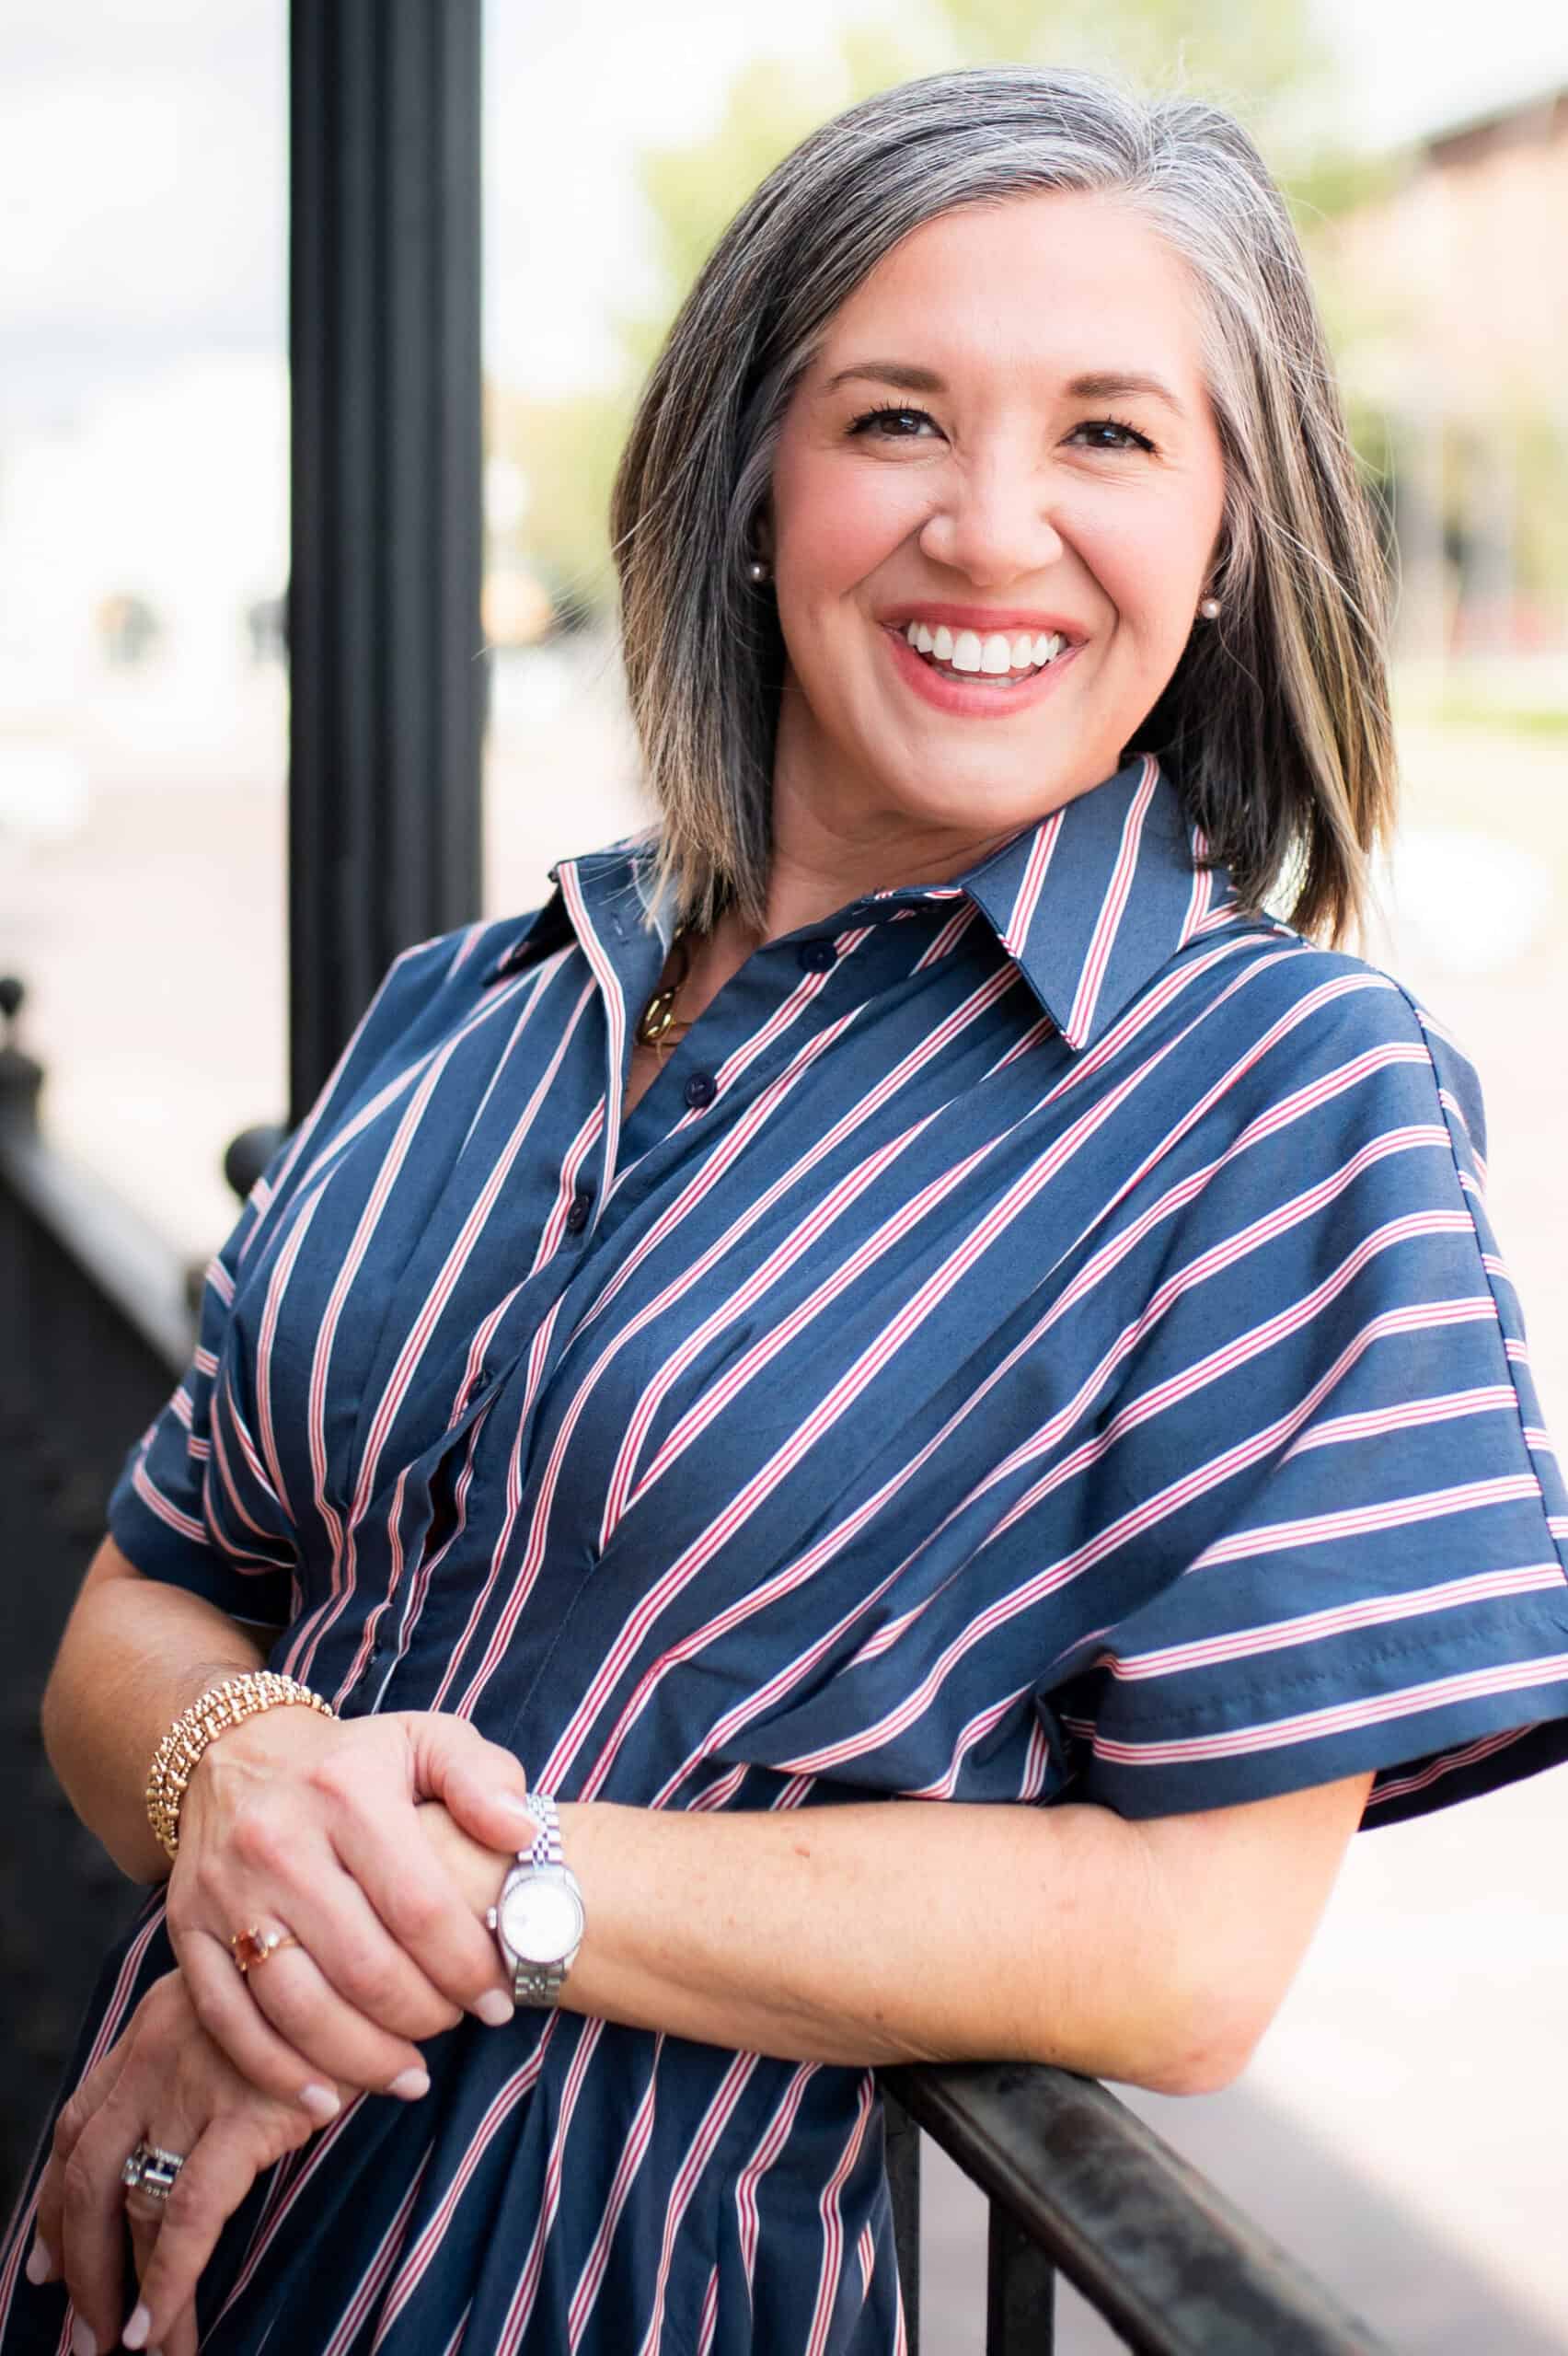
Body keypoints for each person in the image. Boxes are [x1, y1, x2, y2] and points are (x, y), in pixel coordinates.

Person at [6, 62, 1568, 2356]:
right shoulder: (474, 997)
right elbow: (145, 1596)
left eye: (1112, 437)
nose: (996, 526)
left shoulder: (1278, 1097)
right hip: (141, 2268)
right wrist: (228, 1776)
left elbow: (1189, 1952)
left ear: (1232, 534)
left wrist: (453, 1891)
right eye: (899, 418)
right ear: (755, 478)